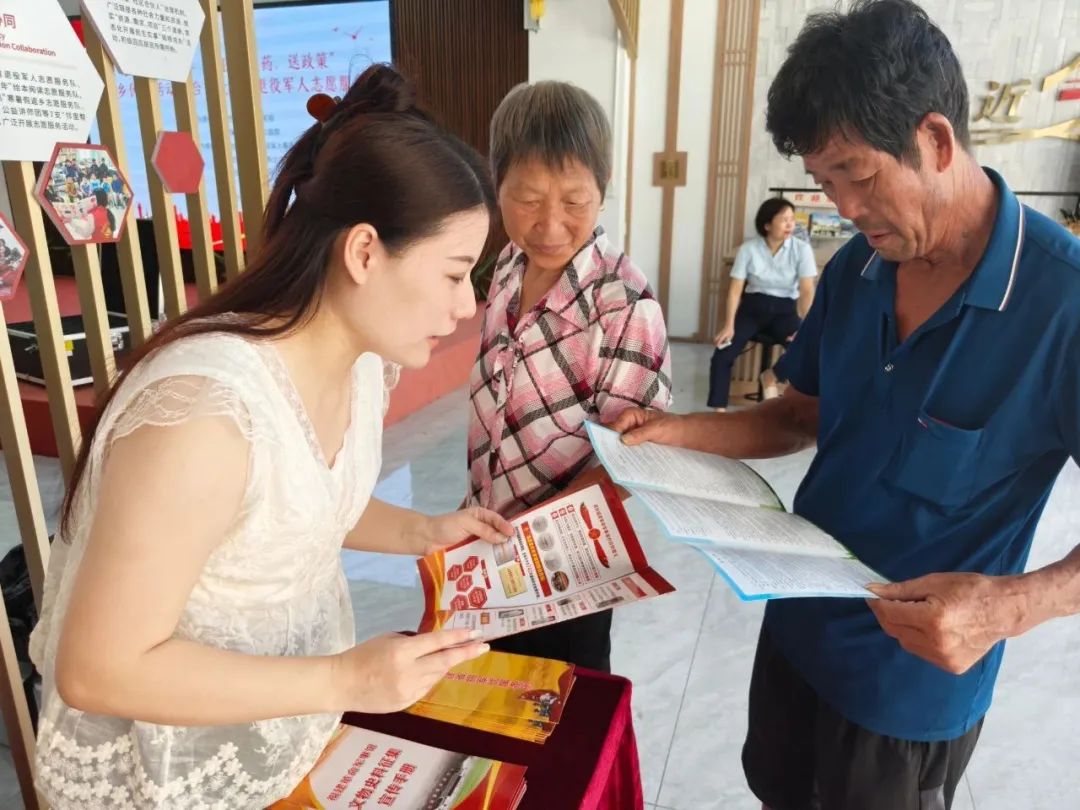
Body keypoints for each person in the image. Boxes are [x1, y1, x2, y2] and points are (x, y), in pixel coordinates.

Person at [610, 2, 1080, 808]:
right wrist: (676, 432)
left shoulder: (1061, 302)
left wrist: (1013, 606)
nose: (845, 209)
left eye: (856, 177)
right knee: (777, 789)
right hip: (797, 625)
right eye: (824, 184)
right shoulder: (857, 272)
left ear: (936, 140)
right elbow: (800, 414)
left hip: (908, 685)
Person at [29, 64, 514, 809]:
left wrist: (424, 533)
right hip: (172, 765)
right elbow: (100, 669)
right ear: (363, 252)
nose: (467, 305)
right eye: (454, 274)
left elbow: (304, 505)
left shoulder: (359, 363)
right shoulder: (206, 417)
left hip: (284, 724)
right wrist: (345, 678)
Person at [465, 81, 672, 672]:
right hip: (486, 541)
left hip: (565, 565)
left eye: (575, 202)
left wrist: (529, 540)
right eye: (528, 199)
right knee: (490, 693)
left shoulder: (625, 305)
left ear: (603, 190)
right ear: (497, 186)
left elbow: (633, 459)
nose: (550, 225)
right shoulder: (507, 266)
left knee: (563, 696)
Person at [707, 197, 817, 410]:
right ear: (767, 225)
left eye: (792, 219)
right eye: (784, 219)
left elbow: (806, 291)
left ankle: (771, 376)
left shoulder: (802, 249)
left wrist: (806, 327)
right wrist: (729, 325)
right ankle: (719, 412)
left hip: (785, 311)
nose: (790, 224)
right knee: (722, 355)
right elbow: (735, 290)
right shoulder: (748, 249)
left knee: (807, 349)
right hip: (751, 311)